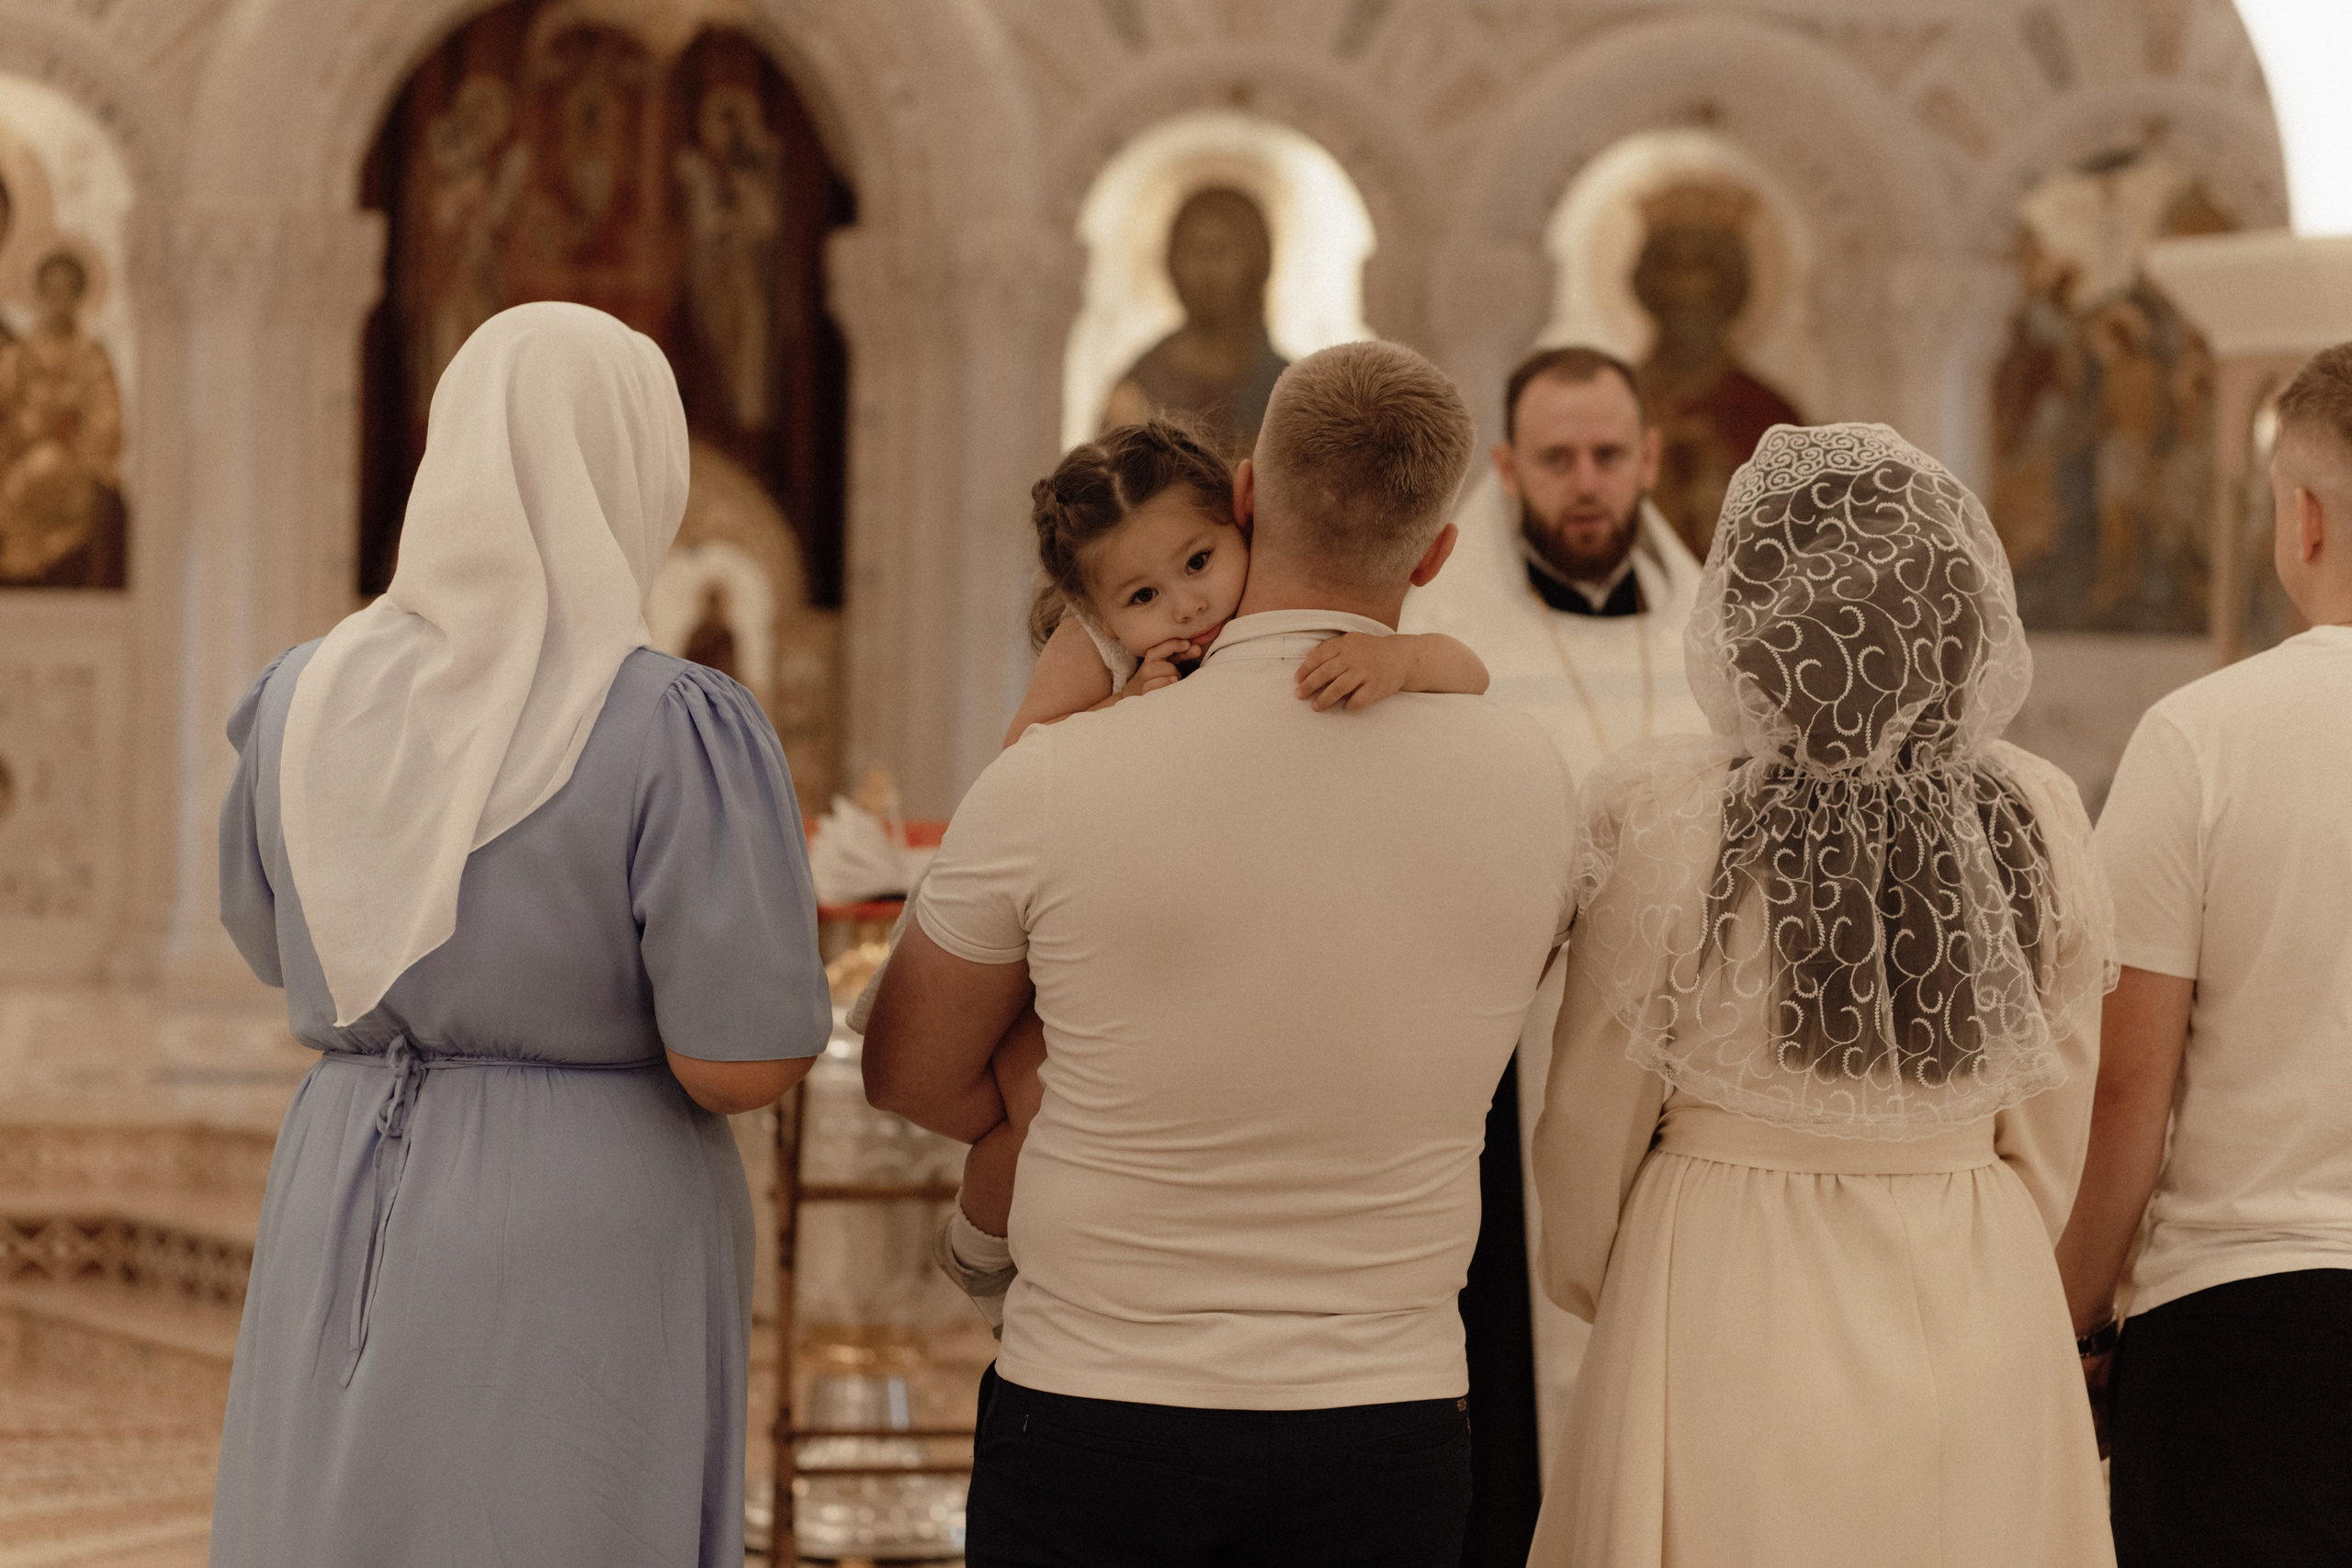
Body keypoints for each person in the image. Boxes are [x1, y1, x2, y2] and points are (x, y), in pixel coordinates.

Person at [861, 341, 1577, 1567]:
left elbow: (907, 1071)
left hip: (1097, 1399)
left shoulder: (1059, 772)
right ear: (1439, 552)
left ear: (1245, 496)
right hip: (1386, 1418)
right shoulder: (1538, 785)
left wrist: (1041, 1096)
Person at [208, 302, 830, 1568]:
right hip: (584, 1210)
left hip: (341, 1171)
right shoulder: (672, 723)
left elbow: (274, 943)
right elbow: (740, 1059)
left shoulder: (296, 698)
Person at [1528, 423, 2115, 1568]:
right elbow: (2058, 1114)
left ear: (1751, 614)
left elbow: (1593, 1103)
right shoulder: (2038, 811)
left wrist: (1610, 1273)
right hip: (1973, 1271)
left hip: (1718, 1275)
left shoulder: (1661, 811)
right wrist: (1966, 1196)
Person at [923, 418, 1488, 1315]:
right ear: (1097, 607)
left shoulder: (1282, 601)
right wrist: (1119, 706)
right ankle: (983, 1254)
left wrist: (1398, 660)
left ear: (1242, 517)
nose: (1185, 605)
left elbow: (1469, 675)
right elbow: (1021, 754)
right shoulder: (1103, 644)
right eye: (1143, 595)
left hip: (1213, 915)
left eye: (1197, 562)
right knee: (1033, 1102)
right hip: (1084, 923)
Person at [1400, 346, 1709, 1551]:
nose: (1586, 484)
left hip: (1691, 1064)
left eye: (1608, 456)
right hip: (1503, 1064)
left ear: (1650, 459)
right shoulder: (1438, 634)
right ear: (1506, 468)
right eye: (1558, 459)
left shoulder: (1718, 643)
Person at [2056, 343, 2352, 1566]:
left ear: (2305, 516)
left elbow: (2127, 1084)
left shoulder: (2201, 736)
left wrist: (2070, 1325)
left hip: (2243, 1326)